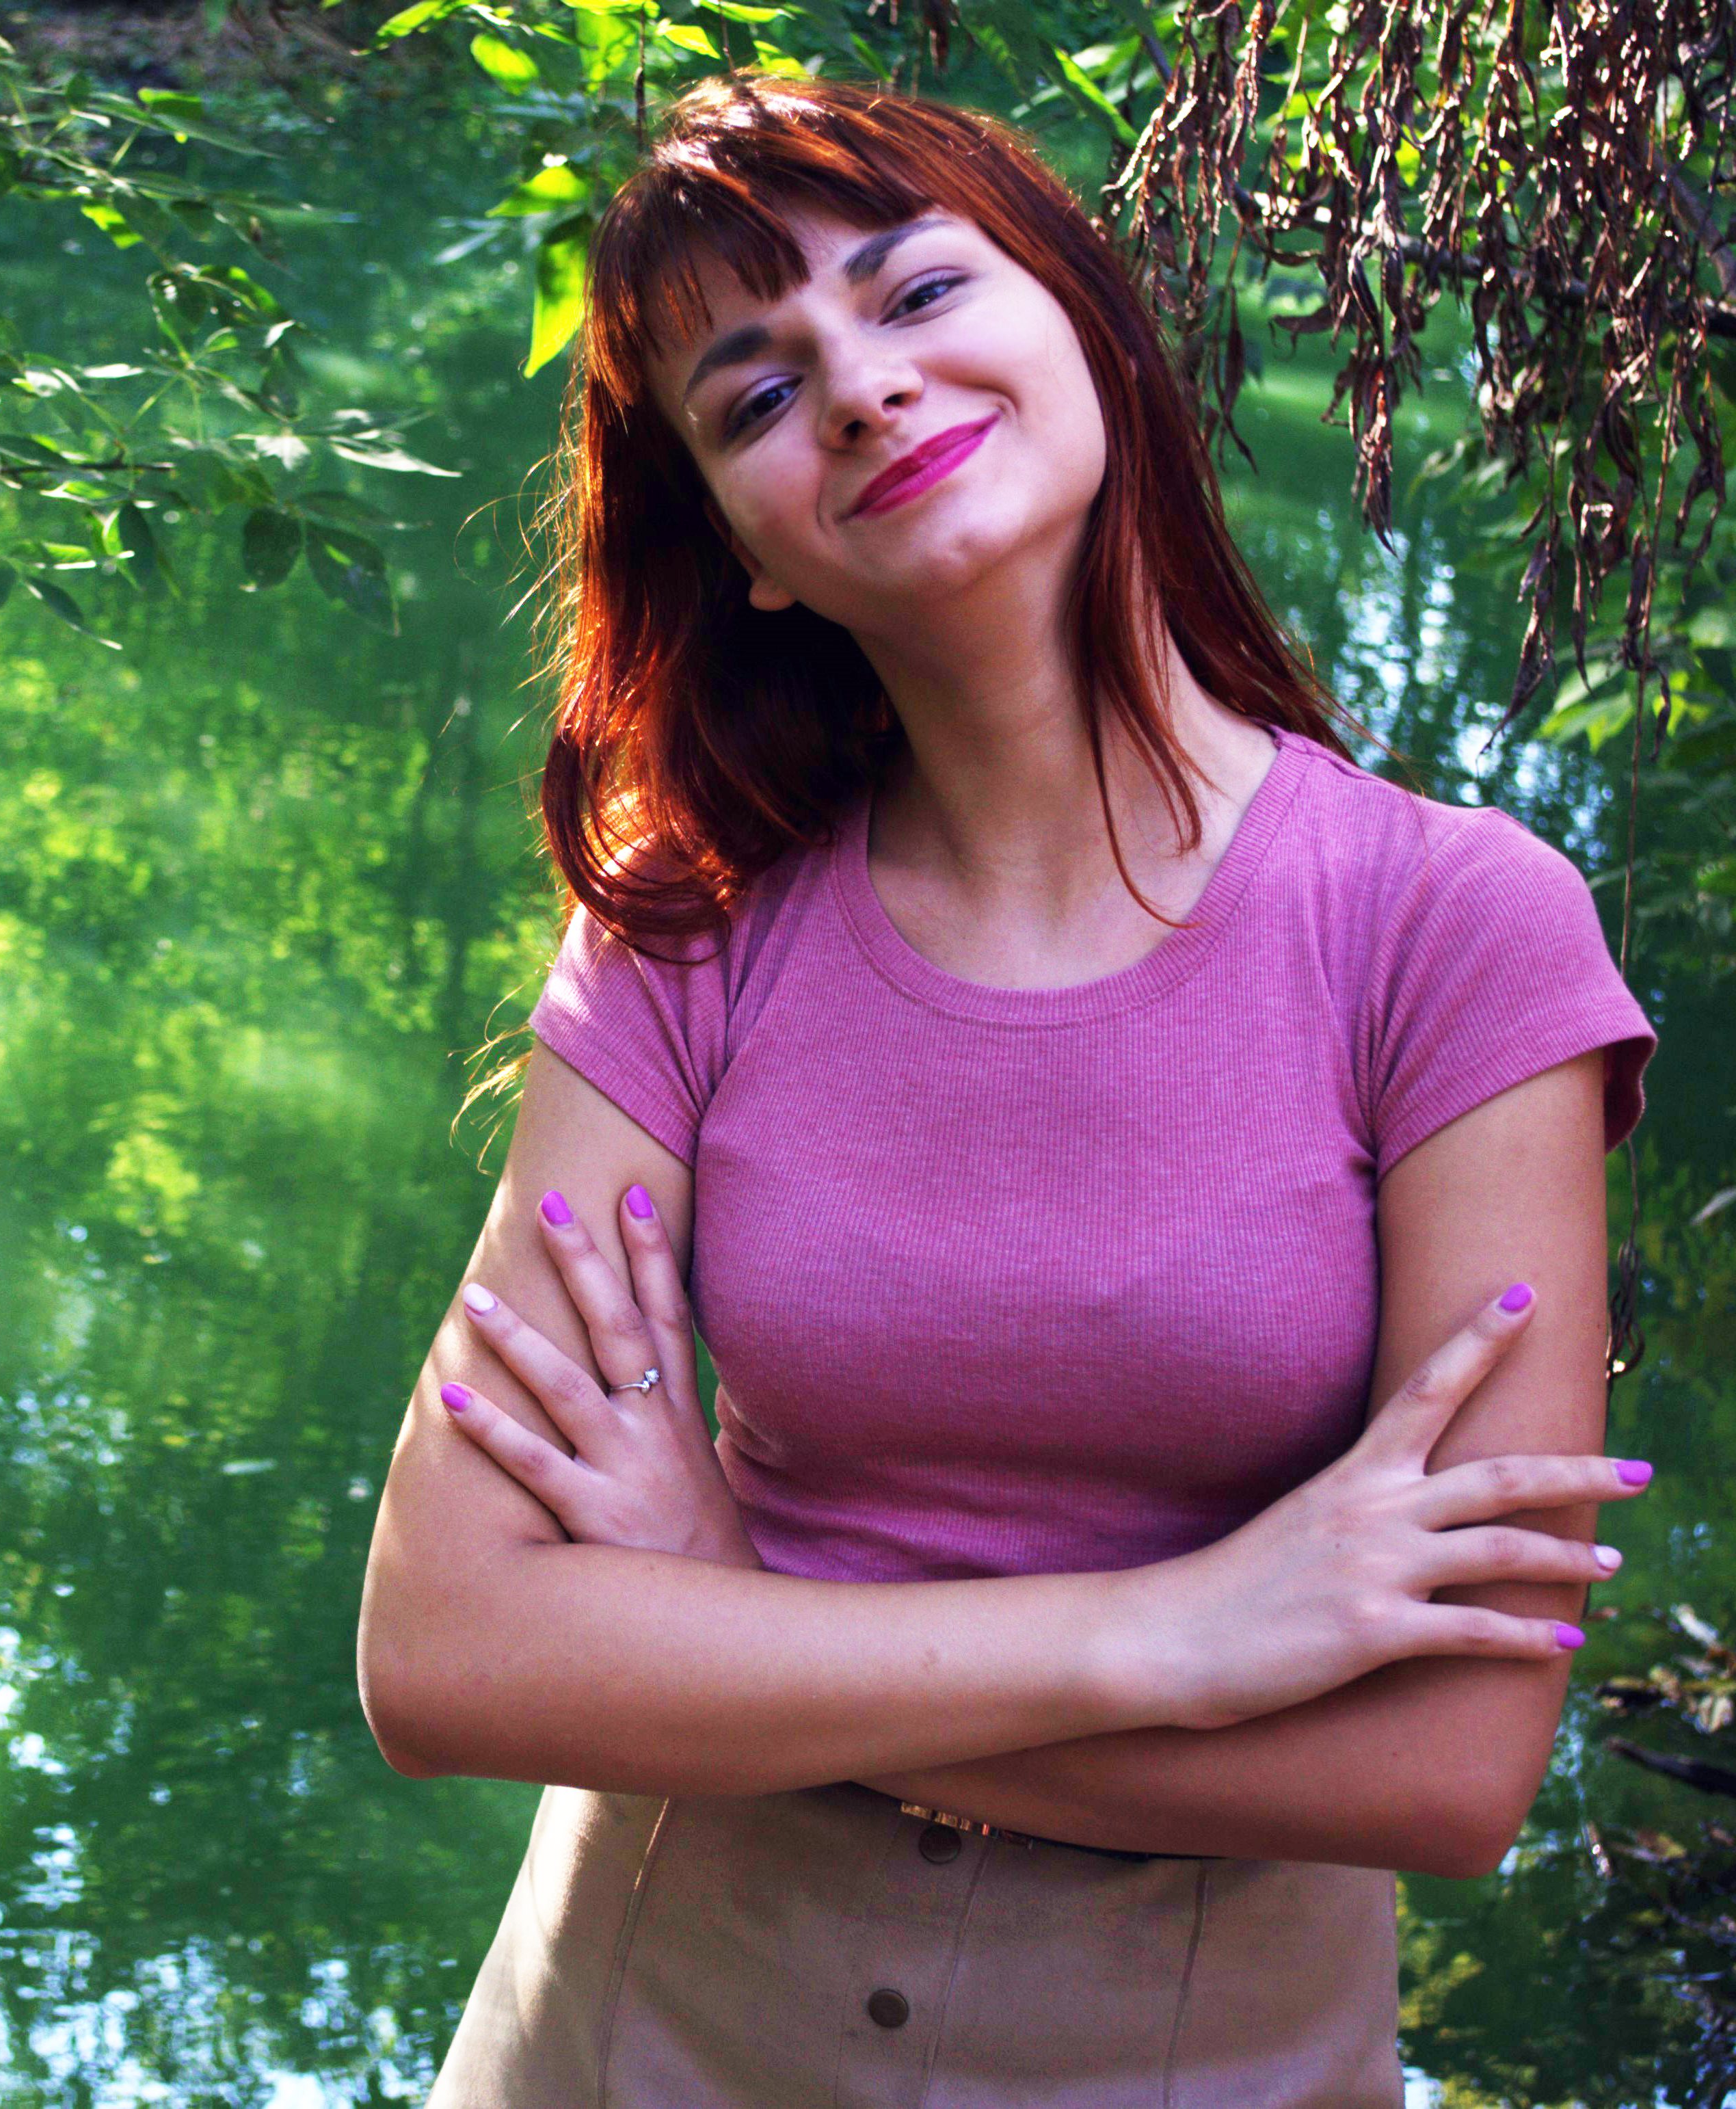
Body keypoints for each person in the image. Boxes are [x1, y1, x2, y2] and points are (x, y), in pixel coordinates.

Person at [353, 71, 1659, 2108]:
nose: (861, 389)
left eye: (916, 291)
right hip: (628, 2042)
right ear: (747, 553)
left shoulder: (1454, 929)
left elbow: (1443, 1767)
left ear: (1091, 326)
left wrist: (731, 1614)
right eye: (755, 396)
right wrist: (1176, 1635)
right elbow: (448, 1655)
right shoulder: (686, 932)